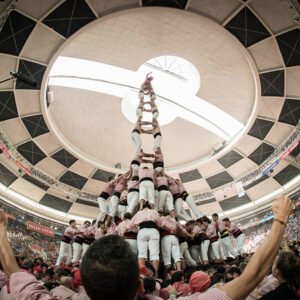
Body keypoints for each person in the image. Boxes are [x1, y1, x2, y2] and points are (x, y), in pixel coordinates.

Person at [0, 195, 295, 300]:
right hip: (163, 237)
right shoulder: (159, 217)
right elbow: (251, 278)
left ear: (84, 283)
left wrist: (1, 228)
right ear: (137, 285)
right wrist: (279, 221)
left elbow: (14, 272)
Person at [128, 204, 161, 277]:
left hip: (142, 230)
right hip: (153, 230)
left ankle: (141, 276)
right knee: (154, 254)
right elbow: (159, 224)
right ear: (150, 207)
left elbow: (130, 225)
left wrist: (136, 230)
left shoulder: (139, 213)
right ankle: (155, 276)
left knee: (142, 254)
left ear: (143, 207)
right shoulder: (154, 212)